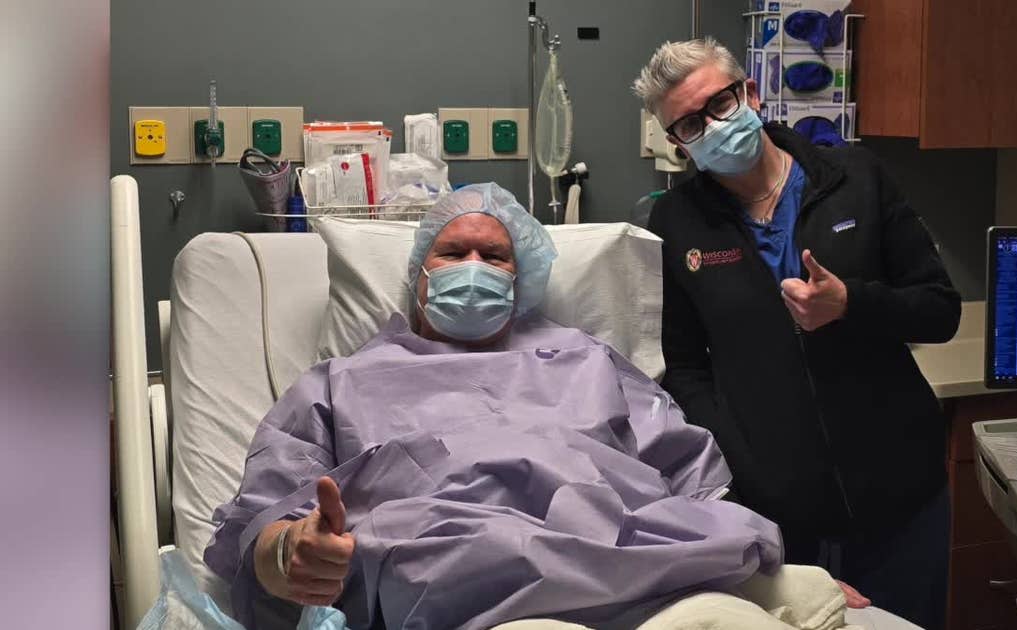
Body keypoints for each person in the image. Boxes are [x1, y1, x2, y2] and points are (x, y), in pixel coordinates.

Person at [203, 183, 868, 630]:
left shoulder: (584, 358)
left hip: (652, 568)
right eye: (452, 252)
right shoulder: (341, 381)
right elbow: (262, 522)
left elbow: (691, 475)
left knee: (779, 606)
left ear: (520, 279)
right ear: (418, 276)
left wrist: (754, 557)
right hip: (480, 593)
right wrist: (291, 553)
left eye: (493, 255)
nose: (473, 264)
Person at [634, 38, 962, 630]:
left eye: (719, 105)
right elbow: (684, 366)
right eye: (687, 124)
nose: (710, 127)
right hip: (779, 512)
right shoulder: (678, 221)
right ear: (676, 141)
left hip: (901, 495)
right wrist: (747, 473)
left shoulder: (856, 179)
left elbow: (939, 311)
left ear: (751, 94)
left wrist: (850, 304)